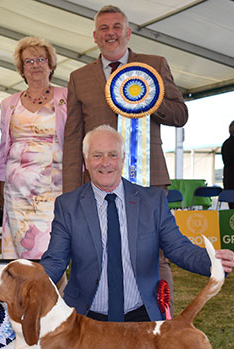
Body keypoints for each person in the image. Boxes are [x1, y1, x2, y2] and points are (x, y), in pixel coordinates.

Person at [41, 124, 234, 322]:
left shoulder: (153, 201)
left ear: (123, 159)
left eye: (113, 155)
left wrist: (213, 261)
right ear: (86, 161)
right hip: (85, 320)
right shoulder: (67, 206)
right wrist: (25, 283)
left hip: (142, 317)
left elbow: (178, 248)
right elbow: (55, 260)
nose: (105, 163)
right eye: (97, 155)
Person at [63, 5, 189, 307]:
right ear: (95, 36)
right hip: (96, 184)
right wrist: (70, 191)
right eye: (104, 28)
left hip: (148, 180)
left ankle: (161, 324)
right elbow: (72, 138)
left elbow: (180, 114)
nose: (111, 33)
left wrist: (150, 99)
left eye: (116, 27)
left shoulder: (155, 64)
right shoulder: (79, 77)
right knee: (95, 254)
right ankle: (101, 322)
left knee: (155, 256)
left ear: (128, 32)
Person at [0, 37, 67, 259]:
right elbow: (4, 146)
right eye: (29, 61)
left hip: (53, 189)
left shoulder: (67, 97)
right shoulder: (9, 103)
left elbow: (76, 140)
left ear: (50, 65)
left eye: (41, 59)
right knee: (20, 252)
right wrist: (1, 182)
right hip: (16, 191)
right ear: (21, 69)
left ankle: (53, 293)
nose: (36, 65)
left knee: (50, 250)